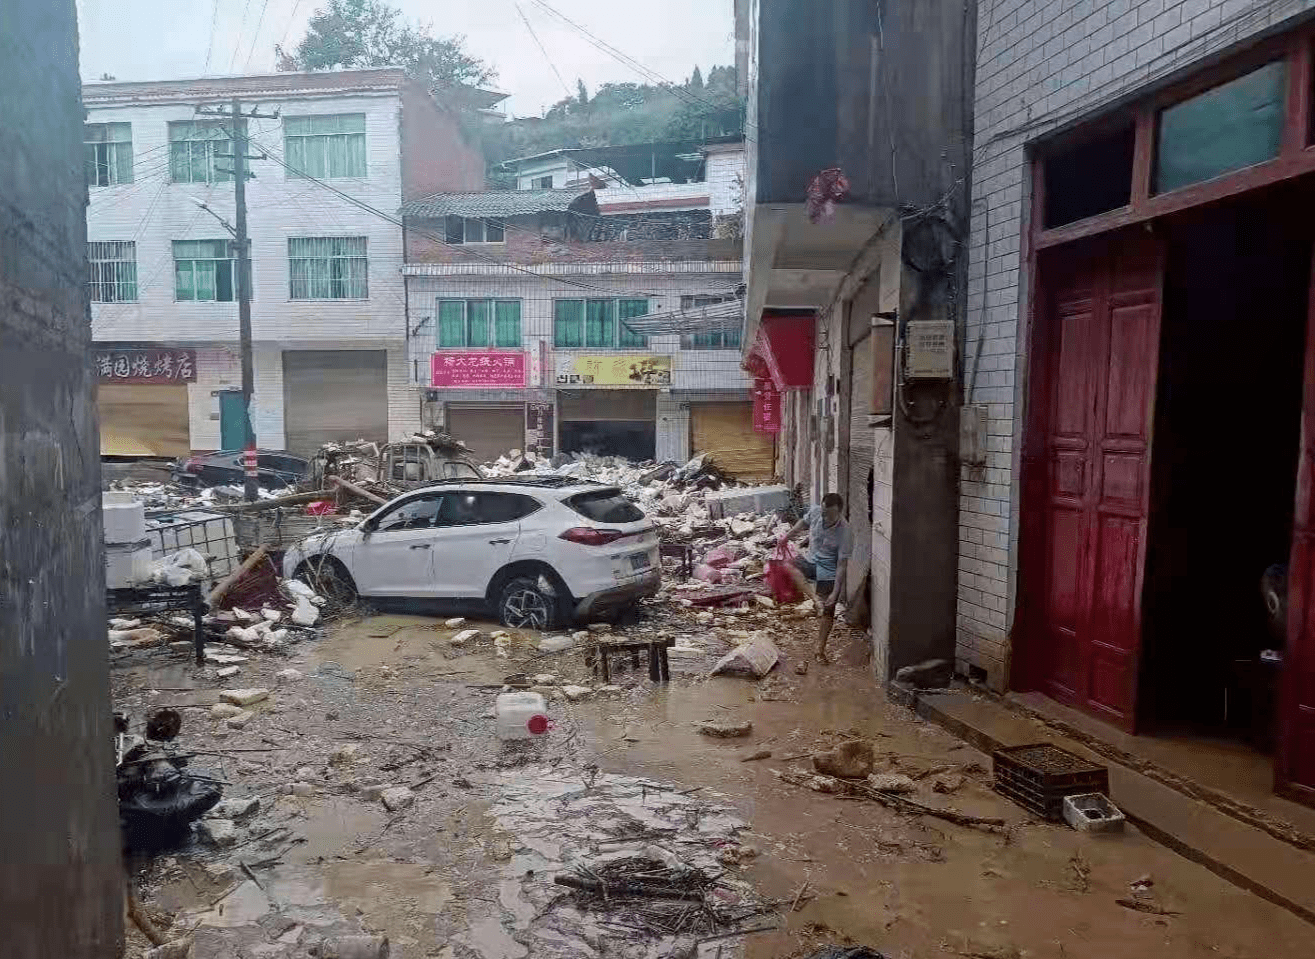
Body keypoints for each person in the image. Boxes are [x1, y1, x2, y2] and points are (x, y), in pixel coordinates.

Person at [778, 492, 851, 663]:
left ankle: (819, 650)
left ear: (839, 512)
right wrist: (786, 538)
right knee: (788, 565)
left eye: (829, 514)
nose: (825, 517)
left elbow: (842, 565)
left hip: (829, 568)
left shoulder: (846, 532)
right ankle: (815, 599)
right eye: (824, 512)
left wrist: (836, 592)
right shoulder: (817, 511)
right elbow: (803, 522)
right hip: (810, 560)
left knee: (828, 609)